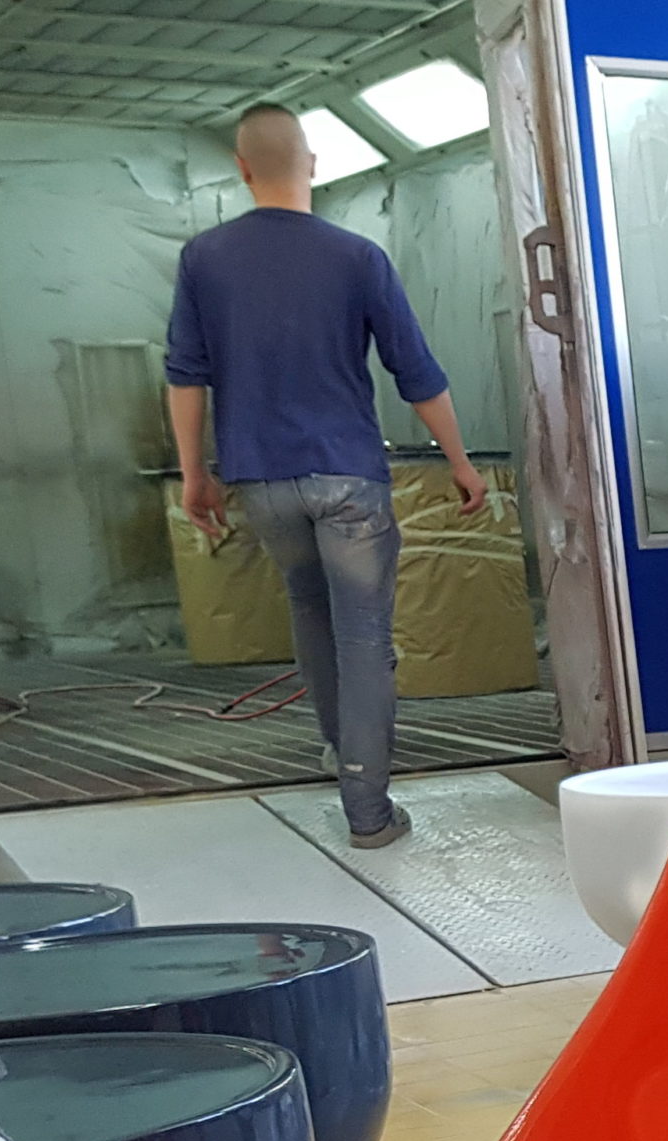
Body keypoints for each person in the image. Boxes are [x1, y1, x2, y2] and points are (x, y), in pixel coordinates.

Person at [165, 104, 488, 848]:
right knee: (364, 637)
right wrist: (459, 461)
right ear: (311, 164)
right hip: (348, 479)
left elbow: (185, 374)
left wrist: (194, 474)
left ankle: (342, 754)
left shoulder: (203, 258)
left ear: (242, 169)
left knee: (310, 611)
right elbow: (417, 372)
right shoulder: (357, 257)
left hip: (262, 482)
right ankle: (368, 812)